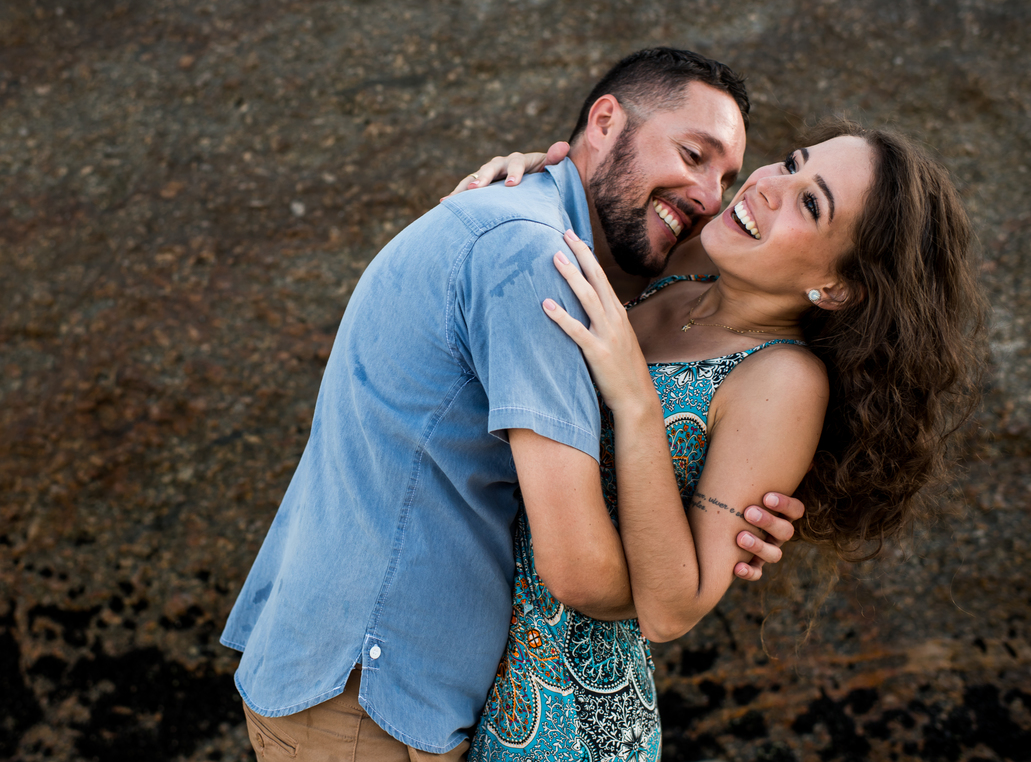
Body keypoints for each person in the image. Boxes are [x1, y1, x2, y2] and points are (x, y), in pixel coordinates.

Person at [220, 48, 806, 761]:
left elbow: (760, 302)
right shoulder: (535, 258)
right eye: (693, 153)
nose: (710, 194)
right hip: (370, 701)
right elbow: (583, 573)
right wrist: (683, 567)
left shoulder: (528, 223)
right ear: (604, 121)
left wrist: (732, 504)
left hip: (338, 669)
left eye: (727, 175)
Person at [456, 121, 985, 761]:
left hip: (568, 726)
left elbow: (672, 611)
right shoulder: (679, 269)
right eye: (791, 163)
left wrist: (636, 400)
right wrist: (531, 175)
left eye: (811, 204)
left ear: (838, 287)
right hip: (462, 661)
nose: (769, 186)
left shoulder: (784, 379)